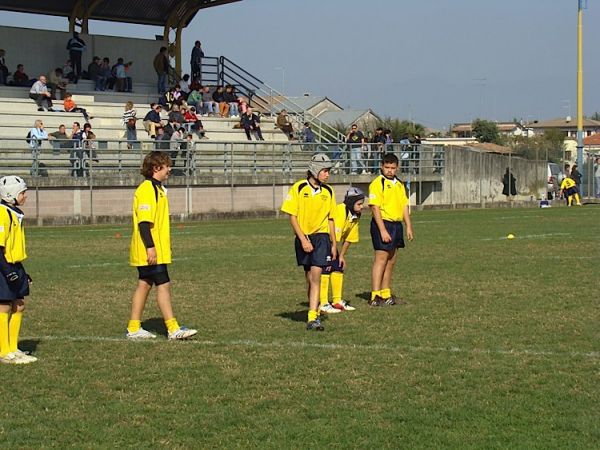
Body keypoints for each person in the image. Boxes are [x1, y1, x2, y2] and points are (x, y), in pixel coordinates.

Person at [126, 151, 198, 340]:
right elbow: (144, 223)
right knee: (163, 285)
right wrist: (150, 247)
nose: (170, 169)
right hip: (149, 250)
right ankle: (172, 328)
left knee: (144, 284)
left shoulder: (157, 189)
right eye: (167, 166)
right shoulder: (147, 189)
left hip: (154, 250)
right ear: (156, 168)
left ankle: (133, 327)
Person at [280, 154, 337, 331]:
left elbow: (331, 219)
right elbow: (292, 216)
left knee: (316, 276)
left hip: (321, 239)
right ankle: (314, 311)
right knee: (309, 278)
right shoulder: (298, 188)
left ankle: (313, 317)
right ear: (314, 170)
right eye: (325, 171)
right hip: (303, 237)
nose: (327, 175)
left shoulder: (328, 192)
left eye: (328, 171)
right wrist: (303, 239)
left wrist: (334, 243)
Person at [368, 153, 414, 306]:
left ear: (397, 168)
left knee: (391, 260)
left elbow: (404, 206)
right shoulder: (377, 183)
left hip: (396, 225)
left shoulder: (399, 184)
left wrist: (408, 226)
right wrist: (382, 230)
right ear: (382, 166)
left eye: (392, 168)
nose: (389, 170)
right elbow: (375, 208)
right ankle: (375, 296)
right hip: (383, 224)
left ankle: (386, 293)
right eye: (387, 167)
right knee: (381, 259)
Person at [0, 176, 37, 364]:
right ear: (11, 194)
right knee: (4, 306)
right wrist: (8, 271)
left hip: (15, 265)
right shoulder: (2, 214)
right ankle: (4, 351)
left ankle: (13, 347)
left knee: (19, 304)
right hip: (4, 266)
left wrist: (22, 270)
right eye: (23, 193)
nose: (26, 196)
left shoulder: (14, 213)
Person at [319, 187, 364, 314]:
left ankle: (337, 301)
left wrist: (341, 256)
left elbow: (349, 238)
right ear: (351, 203)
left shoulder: (355, 216)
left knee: (338, 267)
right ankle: (323, 303)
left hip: (333, 243)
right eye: (359, 204)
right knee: (326, 269)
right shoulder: (340, 211)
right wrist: (333, 248)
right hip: (325, 240)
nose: (361, 207)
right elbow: (333, 235)